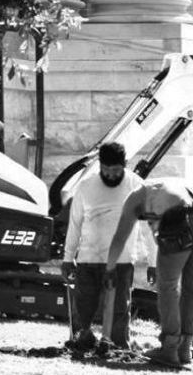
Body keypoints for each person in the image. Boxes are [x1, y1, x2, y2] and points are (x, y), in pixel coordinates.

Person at [105, 179, 193, 366]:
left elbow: (121, 236)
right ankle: (185, 348)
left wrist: (110, 267)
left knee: (167, 285)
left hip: (183, 218)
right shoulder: (168, 188)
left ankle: (169, 349)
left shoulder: (135, 197)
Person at [61, 142, 156, 350]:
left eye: (116, 171)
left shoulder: (137, 186)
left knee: (120, 308)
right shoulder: (85, 186)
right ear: (100, 166)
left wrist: (153, 262)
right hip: (88, 259)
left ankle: (118, 346)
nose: (111, 176)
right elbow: (75, 224)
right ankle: (81, 340)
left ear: (125, 165)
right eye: (106, 170)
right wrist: (68, 258)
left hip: (122, 262)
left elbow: (148, 229)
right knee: (83, 305)